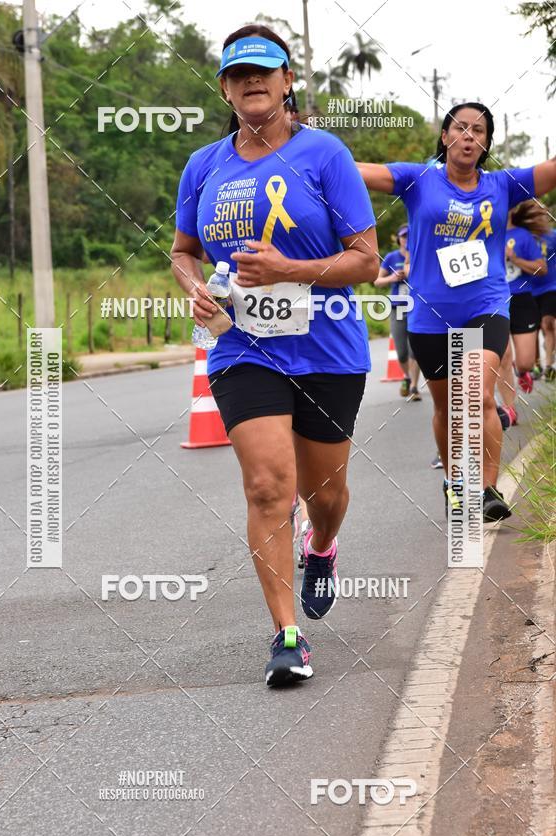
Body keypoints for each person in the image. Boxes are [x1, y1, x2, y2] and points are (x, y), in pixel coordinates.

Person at [171, 25, 378, 687]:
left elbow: (367, 261)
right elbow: (182, 250)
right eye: (237, 75)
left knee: (325, 494)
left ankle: (322, 546)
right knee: (268, 488)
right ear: (226, 89)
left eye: (264, 71)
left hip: (327, 349)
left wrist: (291, 268)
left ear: (288, 81)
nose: (251, 82)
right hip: (241, 348)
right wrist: (197, 288)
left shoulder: (325, 155)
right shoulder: (204, 165)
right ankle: (287, 636)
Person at [357, 102, 556, 521]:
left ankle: (486, 489)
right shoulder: (417, 179)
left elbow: (550, 169)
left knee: (478, 395)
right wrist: (304, 149)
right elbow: (356, 171)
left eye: (479, 130)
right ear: (445, 136)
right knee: (447, 408)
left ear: (486, 144)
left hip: (485, 305)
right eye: (461, 128)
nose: (469, 135)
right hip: (430, 314)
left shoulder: (503, 185)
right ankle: (454, 479)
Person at [505, 202, 549, 393]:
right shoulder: (483, 235)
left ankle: (522, 371)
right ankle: (509, 409)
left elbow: (542, 268)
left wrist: (514, 259)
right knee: (502, 356)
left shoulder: (522, 235)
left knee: (525, 362)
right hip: (493, 301)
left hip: (521, 298)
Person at [375, 224, 422, 400]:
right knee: (401, 351)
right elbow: (377, 281)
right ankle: (407, 377)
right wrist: (393, 278)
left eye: (409, 236)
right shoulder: (391, 257)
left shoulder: (419, 255)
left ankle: (415, 387)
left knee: (414, 349)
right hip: (397, 307)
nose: (406, 239)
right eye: (403, 236)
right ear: (398, 239)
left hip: (417, 307)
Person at [532, 227, 556, 381]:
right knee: (533, 329)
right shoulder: (523, 235)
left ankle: (549, 366)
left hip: (551, 286)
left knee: (547, 323)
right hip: (529, 289)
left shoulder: (553, 235)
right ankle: (536, 364)